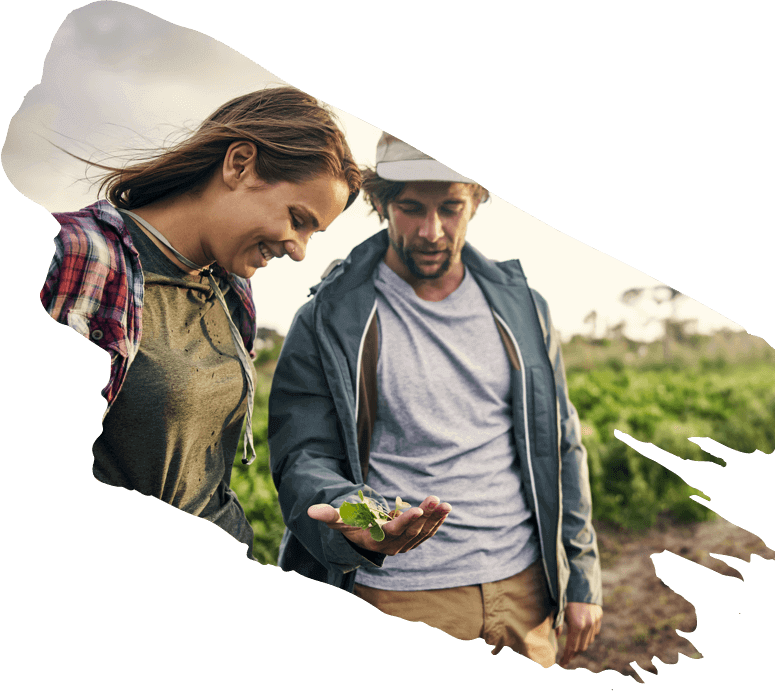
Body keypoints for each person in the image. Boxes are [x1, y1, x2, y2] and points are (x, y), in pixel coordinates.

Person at [267, 132, 602, 666]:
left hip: (524, 590)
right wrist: (367, 519)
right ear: (379, 203)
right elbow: (302, 457)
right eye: (410, 208)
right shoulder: (328, 317)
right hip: (399, 594)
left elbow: (560, 443)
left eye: (450, 208)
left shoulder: (525, 309)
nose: (432, 231)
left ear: (477, 199)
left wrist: (581, 578)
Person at [41, 87, 361, 561]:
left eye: (313, 233)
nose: (299, 249)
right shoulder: (79, 255)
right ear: (239, 164)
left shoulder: (233, 290)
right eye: (298, 219)